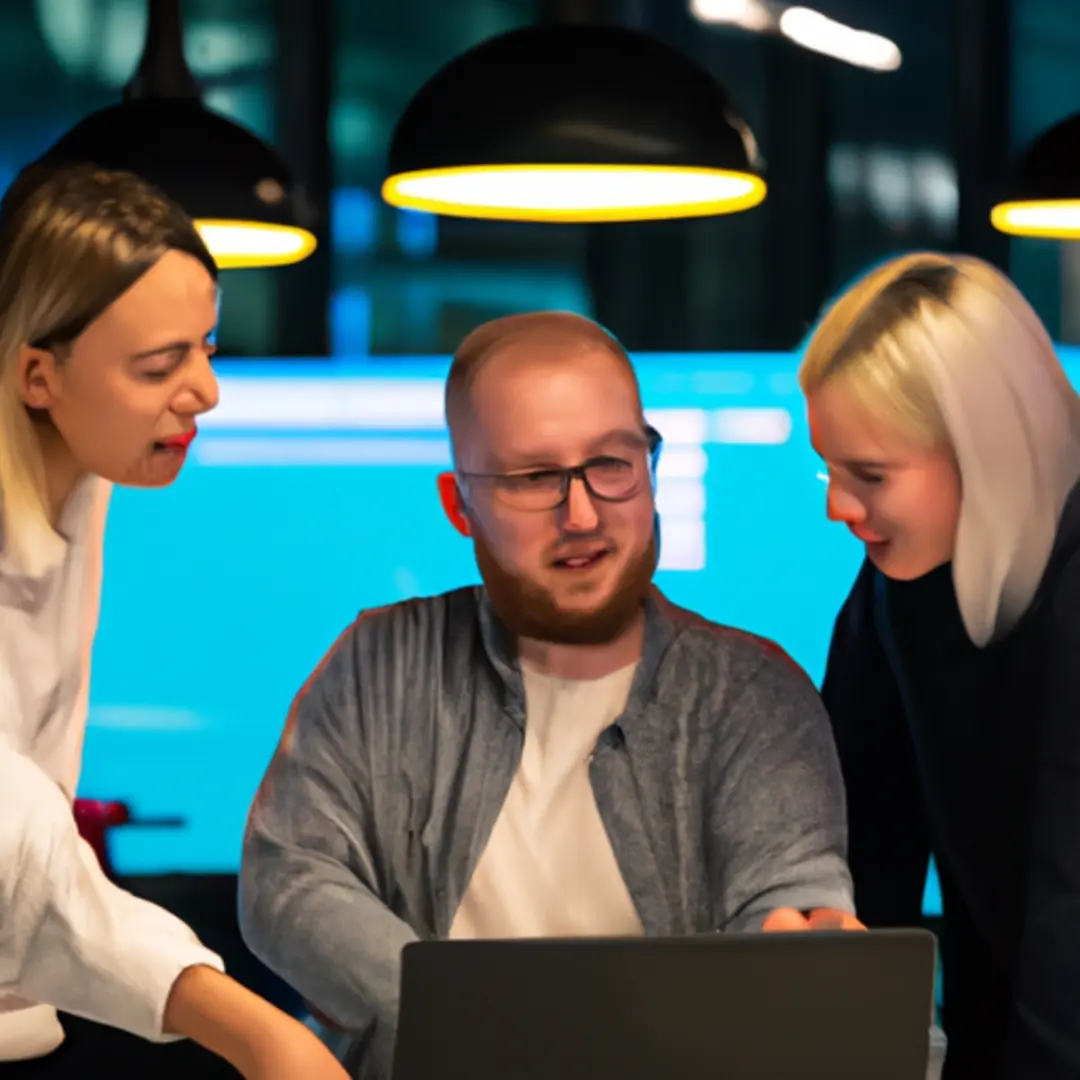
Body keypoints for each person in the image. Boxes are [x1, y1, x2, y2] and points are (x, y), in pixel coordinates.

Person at [239, 311, 861, 1079]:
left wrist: (801, 947)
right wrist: (486, 1019)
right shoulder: (382, 662)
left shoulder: (752, 693)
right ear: (458, 503)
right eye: (534, 478)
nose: (583, 514)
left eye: (611, 464)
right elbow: (289, 881)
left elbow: (789, 891)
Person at [0, 163, 349, 1079]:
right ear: (38, 374)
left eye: (208, 347)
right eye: (160, 365)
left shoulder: (83, 476)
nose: (206, 391)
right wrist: (259, 1032)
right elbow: (16, 842)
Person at [801, 251, 1080, 1079]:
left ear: (982, 449)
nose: (838, 508)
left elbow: (1071, 915)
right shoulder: (904, 578)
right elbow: (853, 831)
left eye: (870, 476)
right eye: (829, 468)